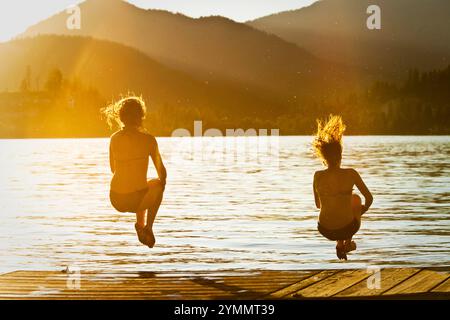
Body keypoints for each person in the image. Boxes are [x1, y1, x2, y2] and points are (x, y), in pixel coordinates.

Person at [102, 96, 167, 248]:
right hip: (136, 200)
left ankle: (140, 225)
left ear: (121, 117)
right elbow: (162, 174)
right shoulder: (149, 140)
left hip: (115, 198)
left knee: (143, 187)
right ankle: (147, 227)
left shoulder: (114, 138)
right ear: (141, 117)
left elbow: (113, 169)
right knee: (158, 184)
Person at [312, 115, 373, 260]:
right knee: (356, 199)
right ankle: (347, 242)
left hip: (324, 229)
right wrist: (359, 211)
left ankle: (341, 244)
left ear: (324, 158)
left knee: (341, 204)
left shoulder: (317, 175)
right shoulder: (351, 173)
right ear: (340, 156)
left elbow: (318, 205)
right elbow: (369, 199)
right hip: (348, 227)